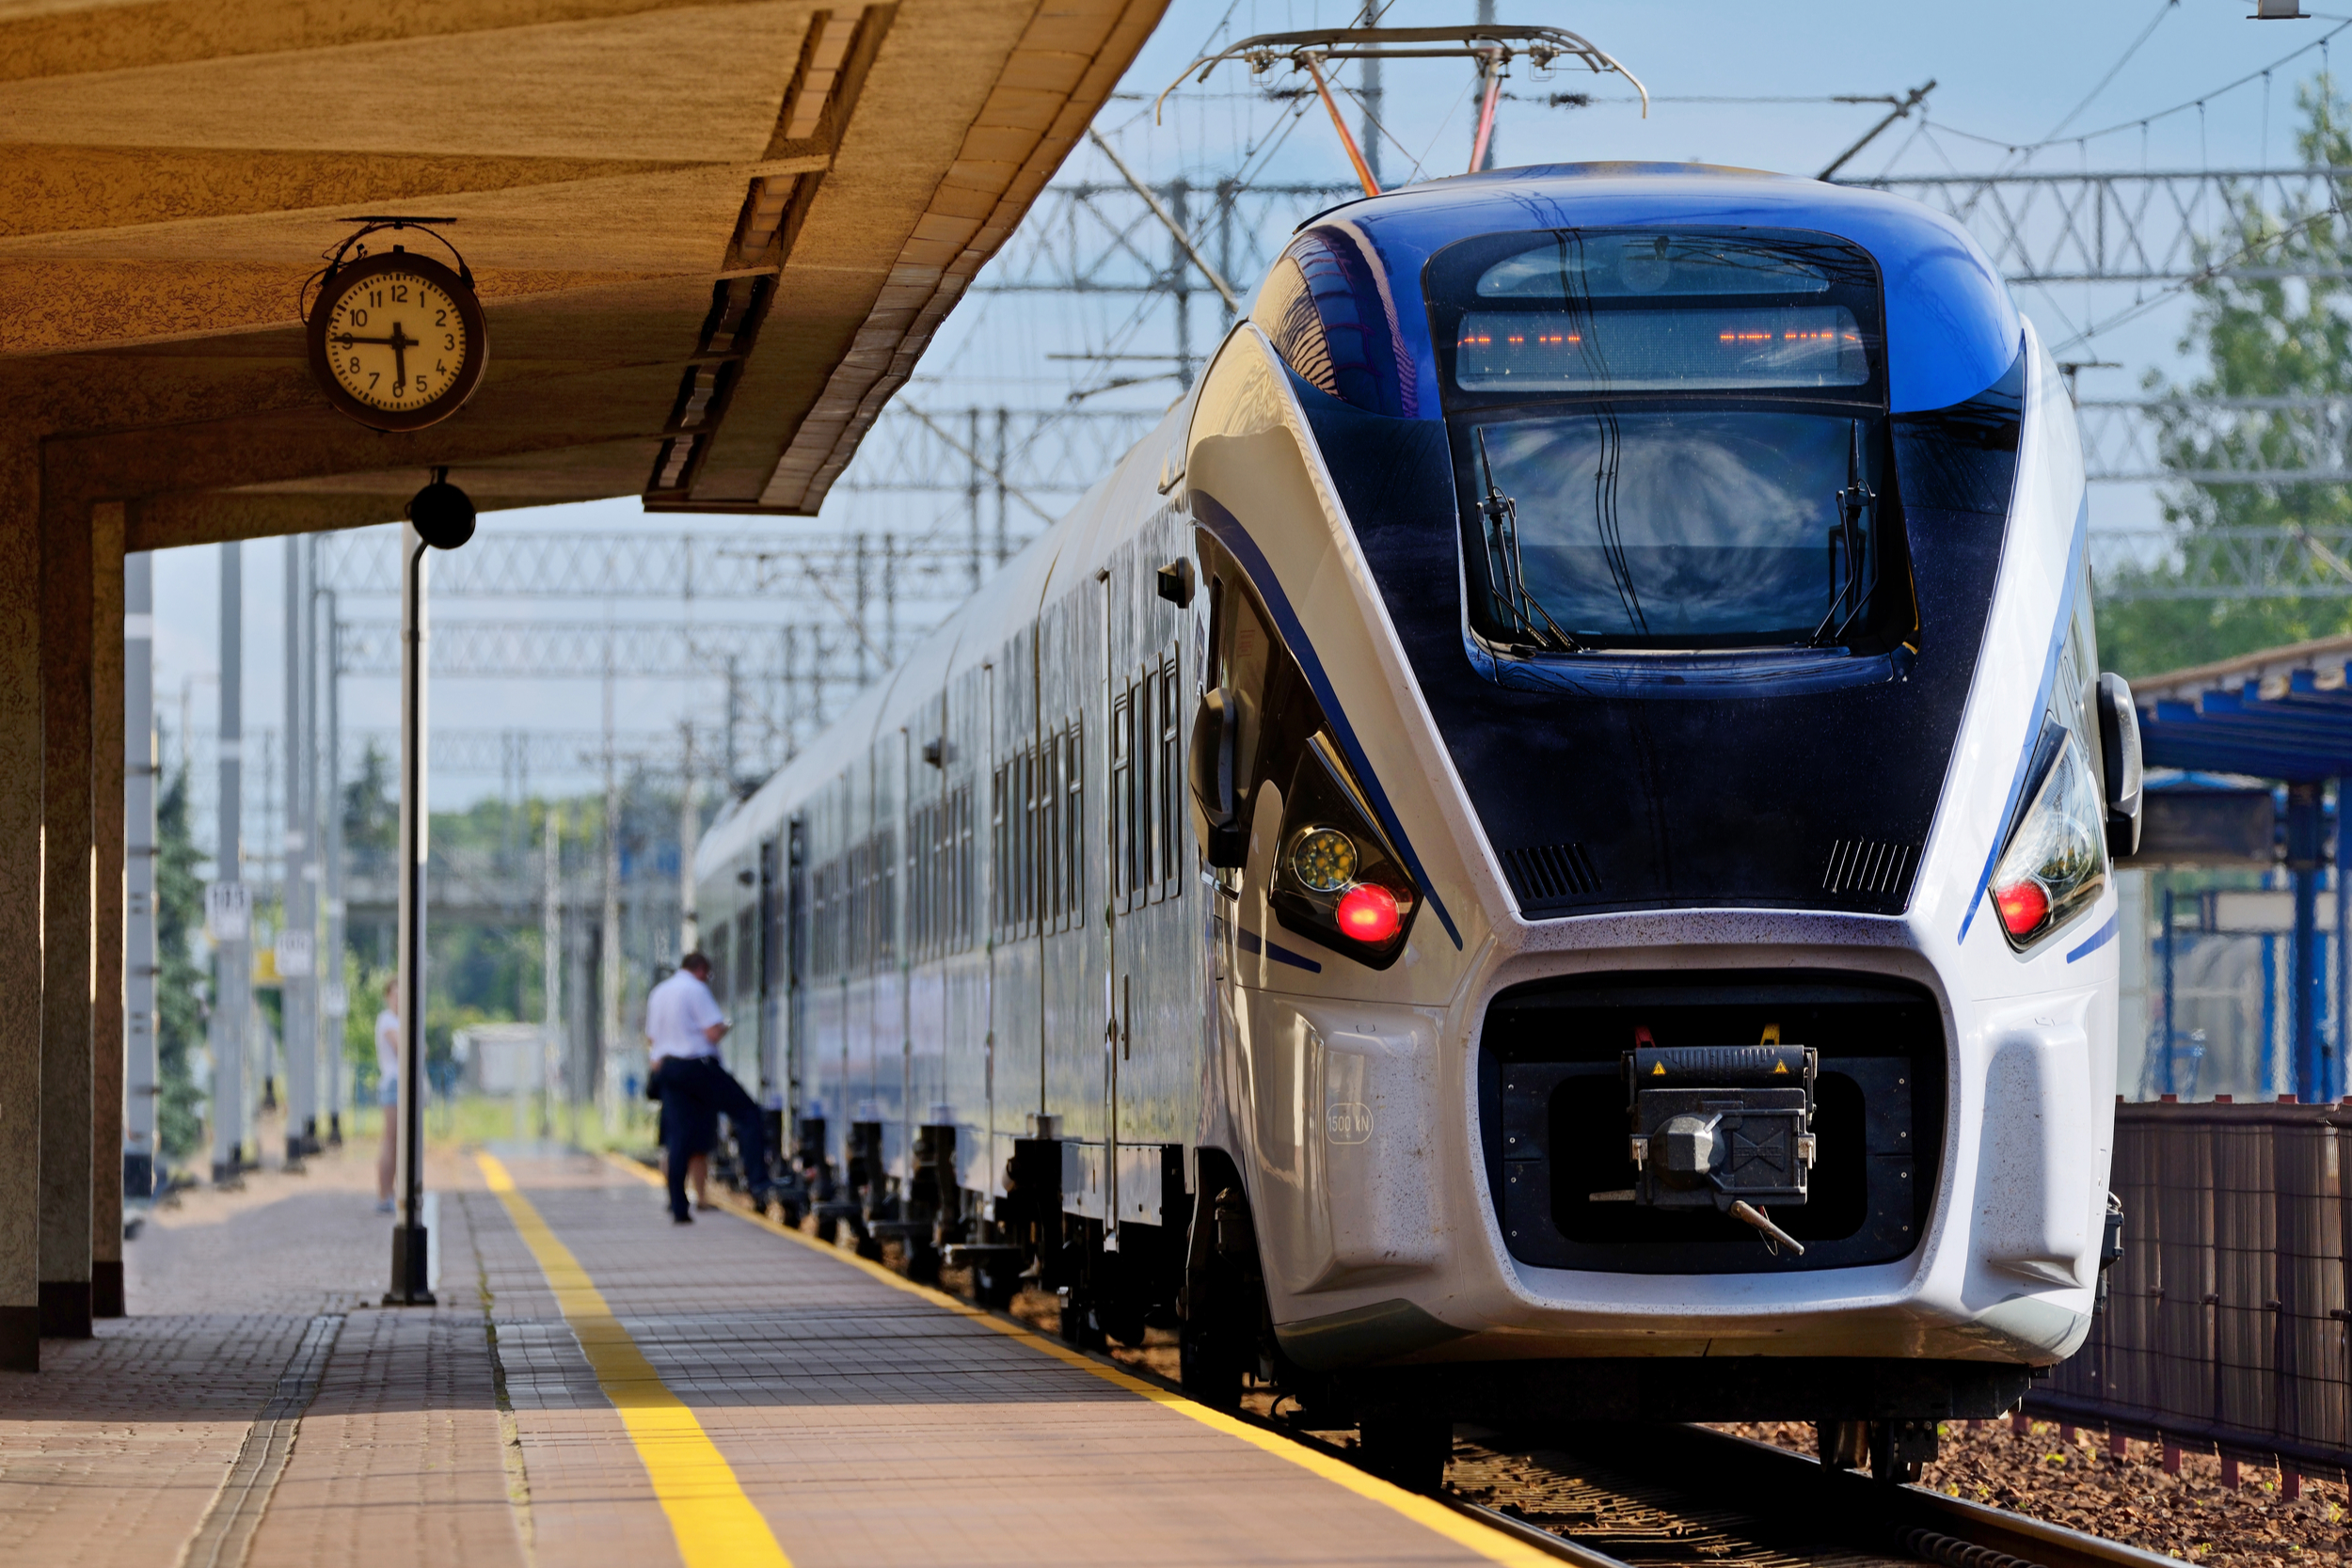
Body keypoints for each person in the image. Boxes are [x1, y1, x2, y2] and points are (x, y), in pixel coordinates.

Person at [644, 953, 770, 1224]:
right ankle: (758, 1181)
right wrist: (726, 1026)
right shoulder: (695, 989)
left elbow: (652, 1037)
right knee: (748, 1113)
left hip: (668, 1070)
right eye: (708, 975)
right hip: (698, 1067)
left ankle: (679, 1207)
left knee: (678, 1140)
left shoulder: (659, 992)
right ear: (701, 970)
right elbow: (712, 1032)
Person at [374, 979, 402, 1214]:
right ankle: (384, 1194)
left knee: (402, 1143)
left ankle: (394, 1191)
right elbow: (402, 1048)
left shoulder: (400, 1021)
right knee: (391, 1141)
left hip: (404, 1084)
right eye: (396, 995)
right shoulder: (387, 1020)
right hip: (393, 1084)